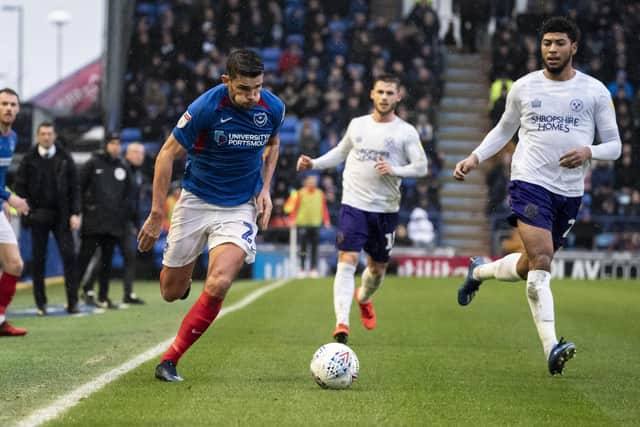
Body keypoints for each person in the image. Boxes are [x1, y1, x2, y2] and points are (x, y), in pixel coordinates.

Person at [454, 17, 622, 375]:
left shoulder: (594, 91)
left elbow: (616, 146)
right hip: (529, 182)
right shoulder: (524, 88)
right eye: (547, 43)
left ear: (573, 47)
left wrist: (589, 152)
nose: (552, 49)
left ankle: (478, 271)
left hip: (569, 192)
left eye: (560, 43)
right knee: (542, 260)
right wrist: (475, 157)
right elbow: (503, 129)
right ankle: (552, 347)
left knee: (531, 263)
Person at [137, 49, 284, 382]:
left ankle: (170, 360)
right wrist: (157, 212)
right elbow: (165, 156)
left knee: (219, 282)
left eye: (258, 87)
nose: (253, 96)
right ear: (226, 81)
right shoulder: (206, 107)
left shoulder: (273, 108)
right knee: (170, 292)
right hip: (195, 201)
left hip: (239, 207)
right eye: (245, 88)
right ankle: (184, 280)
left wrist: (266, 190)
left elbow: (274, 144)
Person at [296, 74, 428, 344]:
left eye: (390, 93)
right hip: (354, 205)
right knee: (347, 261)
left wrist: (396, 169)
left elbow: (422, 167)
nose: (384, 97)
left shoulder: (406, 132)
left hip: (386, 210)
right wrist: (314, 164)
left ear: (398, 97)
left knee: (377, 270)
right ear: (371, 94)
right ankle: (341, 323)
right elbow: (339, 153)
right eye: (380, 92)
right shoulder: (357, 125)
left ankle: (363, 298)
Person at [14, 122, 81, 315]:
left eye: (49, 133)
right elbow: (20, 186)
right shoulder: (28, 159)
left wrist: (75, 212)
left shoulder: (65, 158)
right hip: (38, 215)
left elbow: (74, 187)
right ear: (37, 136)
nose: (46, 137)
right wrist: (24, 207)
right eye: (43, 134)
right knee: (38, 260)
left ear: (54, 135)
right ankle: (40, 304)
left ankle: (73, 302)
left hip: (62, 215)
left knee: (69, 257)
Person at [77, 132, 135, 309]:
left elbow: (129, 194)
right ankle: (71, 296)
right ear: (105, 145)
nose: (115, 146)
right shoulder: (92, 163)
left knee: (106, 263)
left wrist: (124, 216)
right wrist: (82, 210)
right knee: (83, 260)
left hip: (113, 224)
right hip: (93, 223)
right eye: (112, 143)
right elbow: (79, 187)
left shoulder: (123, 167)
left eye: (118, 143)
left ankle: (103, 296)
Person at [0, 88, 30, 336]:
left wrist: (3, 200)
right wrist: (9, 197)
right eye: (3, 104)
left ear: (18, 109)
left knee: (14, 264)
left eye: (12, 104)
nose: (8, 108)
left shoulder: (12, 137)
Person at [287, 174, 331, 278]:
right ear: (306, 182)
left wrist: (326, 221)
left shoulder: (320, 194)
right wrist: (292, 219)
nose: (312, 183)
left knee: (314, 248)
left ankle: (313, 268)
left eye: (314, 181)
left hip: (315, 224)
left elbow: (324, 208)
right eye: (310, 181)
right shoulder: (300, 193)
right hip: (303, 224)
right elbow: (294, 208)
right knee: (303, 248)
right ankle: (302, 268)